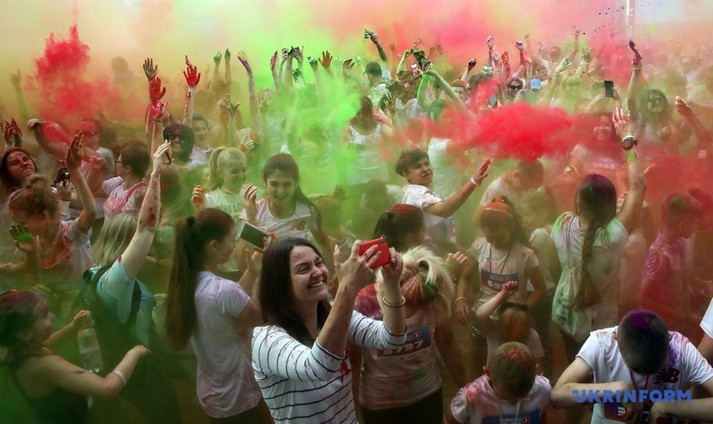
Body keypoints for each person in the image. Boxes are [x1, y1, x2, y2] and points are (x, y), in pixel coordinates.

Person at [252, 238, 407, 423]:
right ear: (280, 283)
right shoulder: (266, 340)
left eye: (319, 263)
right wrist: (348, 288)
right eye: (303, 269)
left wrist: (391, 283)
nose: (318, 272)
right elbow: (320, 367)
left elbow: (392, 338)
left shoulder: (333, 313)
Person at [86, 141, 180, 423]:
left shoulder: (99, 271)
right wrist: (156, 173)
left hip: (129, 360)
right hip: (137, 369)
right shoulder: (115, 279)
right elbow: (145, 230)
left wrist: (150, 300)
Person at [352, 205, 466, 423]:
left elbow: (446, 340)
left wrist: (467, 391)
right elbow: (353, 358)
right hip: (384, 401)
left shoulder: (430, 285)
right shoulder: (365, 297)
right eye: (423, 230)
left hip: (419, 394)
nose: (426, 236)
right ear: (413, 237)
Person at [550, 107, 646, 362]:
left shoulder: (561, 223)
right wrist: (627, 140)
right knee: (600, 369)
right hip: (600, 325)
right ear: (612, 205)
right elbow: (639, 186)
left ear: (578, 202)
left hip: (566, 315)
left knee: (574, 365)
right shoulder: (613, 236)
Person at [164, 207, 271, 423]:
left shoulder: (189, 283)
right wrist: (269, 267)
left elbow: (229, 304)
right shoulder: (223, 290)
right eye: (232, 239)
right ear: (214, 246)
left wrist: (252, 272)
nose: (234, 245)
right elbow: (261, 317)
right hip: (239, 396)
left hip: (215, 394)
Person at [0, 290, 150, 424]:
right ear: (24, 334)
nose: (53, 316)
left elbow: (46, 344)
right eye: (44, 315)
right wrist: (134, 352)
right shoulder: (42, 365)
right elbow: (108, 388)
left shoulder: (18, 348)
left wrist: (72, 327)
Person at [551, 309, 713, 423]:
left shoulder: (682, 350)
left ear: (669, 339)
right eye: (635, 370)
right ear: (615, 338)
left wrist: (667, 407)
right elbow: (557, 396)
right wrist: (618, 389)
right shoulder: (602, 344)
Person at [1, 133, 95, 319]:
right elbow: (34, 275)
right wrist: (30, 257)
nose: (19, 228)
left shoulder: (71, 233)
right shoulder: (31, 240)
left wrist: (74, 171)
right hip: (56, 308)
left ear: (44, 215)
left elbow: (90, 211)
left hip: (84, 302)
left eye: (22, 223)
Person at [640, 192, 710, 337]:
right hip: (663, 328)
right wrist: (685, 317)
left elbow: (681, 274)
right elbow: (643, 299)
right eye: (695, 224)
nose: (697, 228)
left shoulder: (679, 242)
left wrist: (705, 284)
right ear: (682, 225)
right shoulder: (660, 257)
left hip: (680, 322)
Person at [396, 148, 490, 254]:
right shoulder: (416, 193)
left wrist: (455, 249)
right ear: (406, 174)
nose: (425, 169)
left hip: (438, 252)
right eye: (417, 166)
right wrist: (473, 182)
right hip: (428, 257)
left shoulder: (422, 192)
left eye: (427, 164)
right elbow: (444, 210)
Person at [445, 342, 553, 424]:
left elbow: (545, 415)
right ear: (488, 373)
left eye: (522, 395)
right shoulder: (471, 396)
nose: (513, 402)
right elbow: (449, 421)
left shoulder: (543, 389)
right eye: (505, 396)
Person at [241, 153, 331, 250]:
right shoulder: (254, 211)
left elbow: (324, 243)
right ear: (265, 183)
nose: (281, 191)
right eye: (274, 184)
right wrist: (251, 221)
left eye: (287, 184)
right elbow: (241, 255)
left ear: (296, 184)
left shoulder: (307, 211)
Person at [475, 281, 544, 368]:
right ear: (501, 326)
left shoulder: (532, 335)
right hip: (495, 375)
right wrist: (502, 294)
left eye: (520, 332)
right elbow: (480, 315)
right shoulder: (493, 330)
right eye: (509, 329)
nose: (514, 333)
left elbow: (538, 366)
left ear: (526, 328)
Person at [101, 143, 149, 223]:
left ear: (128, 168)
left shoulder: (139, 194)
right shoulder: (120, 183)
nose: (115, 164)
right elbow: (95, 188)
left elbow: (124, 224)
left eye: (117, 161)